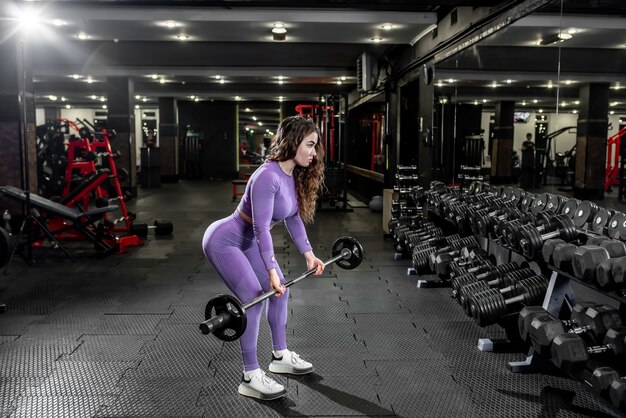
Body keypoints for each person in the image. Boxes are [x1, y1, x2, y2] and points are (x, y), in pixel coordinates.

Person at [202, 116, 326, 400]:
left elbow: (293, 218)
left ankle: (280, 355)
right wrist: (270, 268)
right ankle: (250, 375)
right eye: (309, 144)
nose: (313, 152)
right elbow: (260, 227)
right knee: (254, 299)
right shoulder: (267, 176)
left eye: (315, 146)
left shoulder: (291, 175)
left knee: (280, 292)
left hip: (245, 242)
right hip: (224, 241)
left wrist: (309, 254)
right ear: (293, 142)